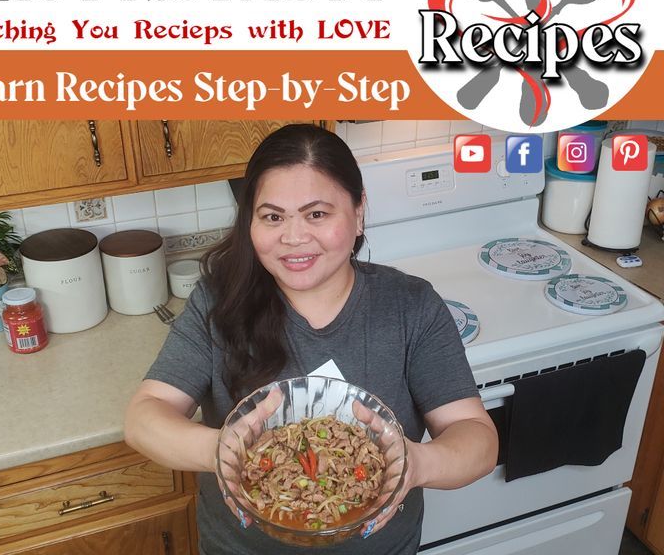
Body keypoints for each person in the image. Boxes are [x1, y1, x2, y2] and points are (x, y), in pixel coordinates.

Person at [124, 124, 498, 554]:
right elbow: (143, 417)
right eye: (272, 216)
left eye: (317, 214)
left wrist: (420, 463)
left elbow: (478, 439)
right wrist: (217, 448)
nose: (293, 237)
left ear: (358, 213)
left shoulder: (410, 306)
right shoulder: (217, 302)